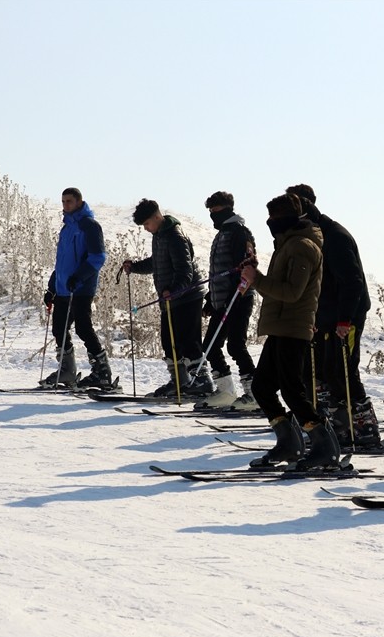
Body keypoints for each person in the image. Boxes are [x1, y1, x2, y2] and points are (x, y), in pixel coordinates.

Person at [239, 192, 340, 470]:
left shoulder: (302, 247)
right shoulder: (288, 245)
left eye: (274, 217)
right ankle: (289, 443)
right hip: (281, 326)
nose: (270, 222)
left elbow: (292, 292)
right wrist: (257, 274)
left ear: (287, 218)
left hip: (293, 328)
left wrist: (256, 279)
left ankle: (324, 447)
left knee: (293, 391)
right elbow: (280, 285)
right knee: (262, 387)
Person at [285, 184, 384, 450]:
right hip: (325, 316)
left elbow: (352, 282)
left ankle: (365, 429)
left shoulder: (334, 235)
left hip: (346, 316)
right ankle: (335, 426)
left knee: (343, 371)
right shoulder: (311, 234)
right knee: (319, 371)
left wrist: (344, 319)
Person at [122, 199, 214, 399]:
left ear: (157, 217)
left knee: (188, 340)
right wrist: (135, 267)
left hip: (188, 296)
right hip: (171, 298)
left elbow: (185, 271)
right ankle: (180, 381)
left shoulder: (175, 236)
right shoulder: (160, 235)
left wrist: (173, 290)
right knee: (169, 341)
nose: (146, 229)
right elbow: (157, 262)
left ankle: (201, 380)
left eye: (147, 224)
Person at [42, 187, 113, 390]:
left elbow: (98, 257)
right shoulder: (66, 228)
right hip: (64, 288)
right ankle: (67, 371)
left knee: (83, 327)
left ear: (79, 202)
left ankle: (102, 371)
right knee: (59, 329)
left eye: (69, 201)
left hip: (82, 287)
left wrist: (79, 277)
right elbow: (61, 263)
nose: (65, 205)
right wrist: (51, 288)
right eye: (63, 201)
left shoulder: (89, 226)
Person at [197, 191, 259, 410]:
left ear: (228, 209)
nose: (213, 216)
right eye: (211, 212)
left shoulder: (240, 233)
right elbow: (219, 271)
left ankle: (255, 395)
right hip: (222, 301)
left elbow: (247, 265)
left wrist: (234, 294)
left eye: (216, 211)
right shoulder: (221, 234)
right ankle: (225, 391)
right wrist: (211, 299)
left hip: (239, 299)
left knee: (235, 345)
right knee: (211, 345)